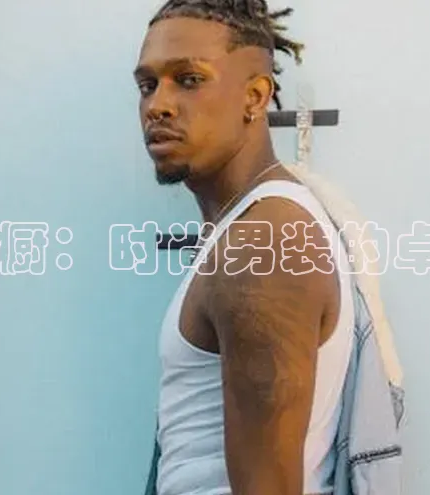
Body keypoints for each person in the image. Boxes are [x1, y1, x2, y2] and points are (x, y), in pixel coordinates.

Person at [133, 1, 355, 494]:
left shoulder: (263, 244)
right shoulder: (248, 227)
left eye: (188, 80)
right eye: (147, 85)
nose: (158, 105)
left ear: (255, 97)